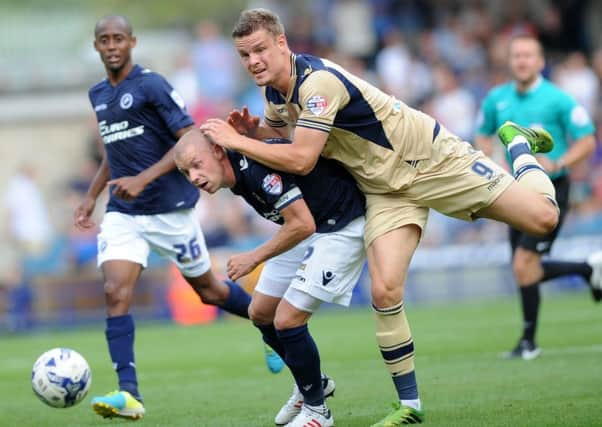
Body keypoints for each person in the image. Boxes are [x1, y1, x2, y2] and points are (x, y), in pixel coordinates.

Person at [199, 9, 562, 425]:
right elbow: (291, 140)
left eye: (260, 49)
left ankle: (516, 142)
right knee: (385, 291)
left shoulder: (318, 84)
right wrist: (256, 135)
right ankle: (410, 407)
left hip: (431, 160)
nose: (254, 61)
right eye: (245, 55)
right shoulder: (274, 97)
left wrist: (235, 143)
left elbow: (301, 158)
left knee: (544, 219)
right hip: (384, 190)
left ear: (282, 43)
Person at [74, 15, 280, 421]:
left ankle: (267, 321)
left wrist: (145, 177)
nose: (112, 45)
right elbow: (112, 154)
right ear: (97, 47)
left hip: (170, 210)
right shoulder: (97, 94)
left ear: (132, 42)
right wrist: (91, 197)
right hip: (124, 213)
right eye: (104, 40)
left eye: (119, 38)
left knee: (210, 291)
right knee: (115, 291)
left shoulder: (152, 85)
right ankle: (129, 393)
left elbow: (190, 139)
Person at [174, 129, 366, 427]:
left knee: (287, 319)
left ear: (218, 151)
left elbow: (301, 223)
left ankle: (318, 412)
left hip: (339, 223)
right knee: (260, 312)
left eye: (196, 164)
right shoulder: (236, 176)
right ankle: (311, 384)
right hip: (308, 225)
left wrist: (254, 257)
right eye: (186, 172)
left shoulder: (253, 167)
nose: (193, 177)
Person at [475, 34, 602, 360]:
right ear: (510, 60)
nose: (521, 61)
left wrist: (559, 161)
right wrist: (489, 157)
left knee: (523, 263)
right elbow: (483, 134)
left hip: (549, 187)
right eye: (516, 55)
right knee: (523, 267)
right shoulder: (496, 99)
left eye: (528, 55)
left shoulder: (557, 99)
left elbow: (587, 139)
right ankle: (588, 268)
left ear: (540, 62)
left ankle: (529, 343)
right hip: (510, 188)